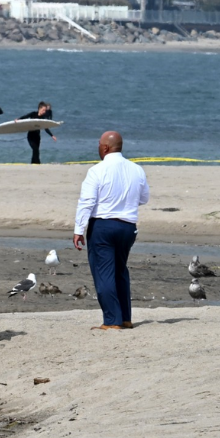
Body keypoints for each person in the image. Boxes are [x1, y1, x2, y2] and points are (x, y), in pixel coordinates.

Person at [73, 131, 150, 330]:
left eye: (99, 145)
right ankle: (125, 318)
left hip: (103, 226)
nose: (98, 148)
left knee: (104, 272)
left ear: (105, 147)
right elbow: (144, 198)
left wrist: (78, 229)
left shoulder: (97, 170)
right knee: (120, 271)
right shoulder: (136, 169)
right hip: (127, 226)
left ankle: (112, 320)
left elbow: (86, 202)